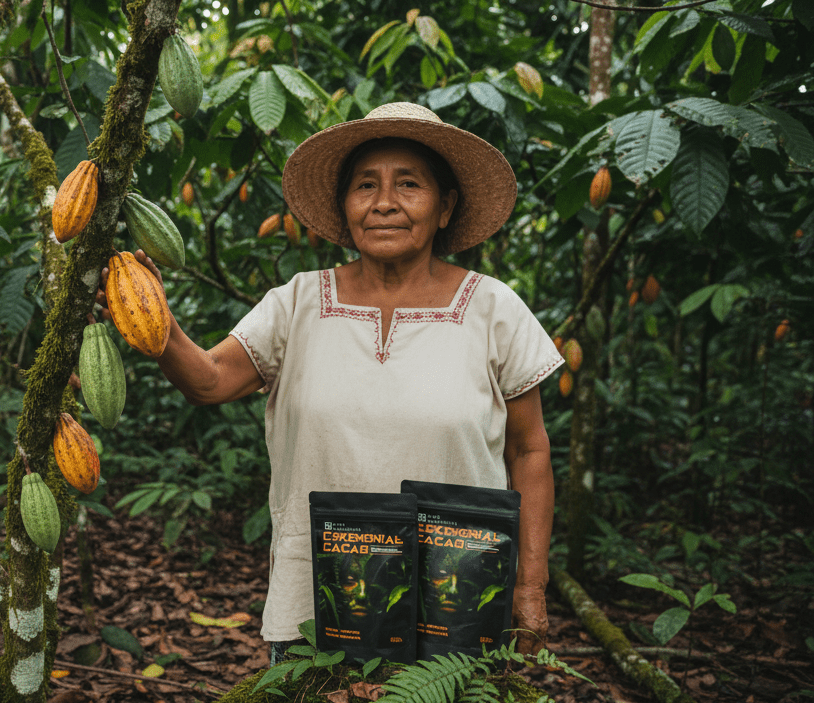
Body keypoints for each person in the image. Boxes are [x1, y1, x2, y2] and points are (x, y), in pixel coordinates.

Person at [98, 102, 562, 664]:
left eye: (409, 184)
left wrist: (529, 585)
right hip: (315, 602)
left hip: (455, 599)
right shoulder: (298, 302)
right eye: (365, 185)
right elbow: (211, 381)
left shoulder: (493, 308)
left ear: (445, 207)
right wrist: (152, 319)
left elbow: (529, 450)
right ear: (345, 208)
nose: (384, 202)